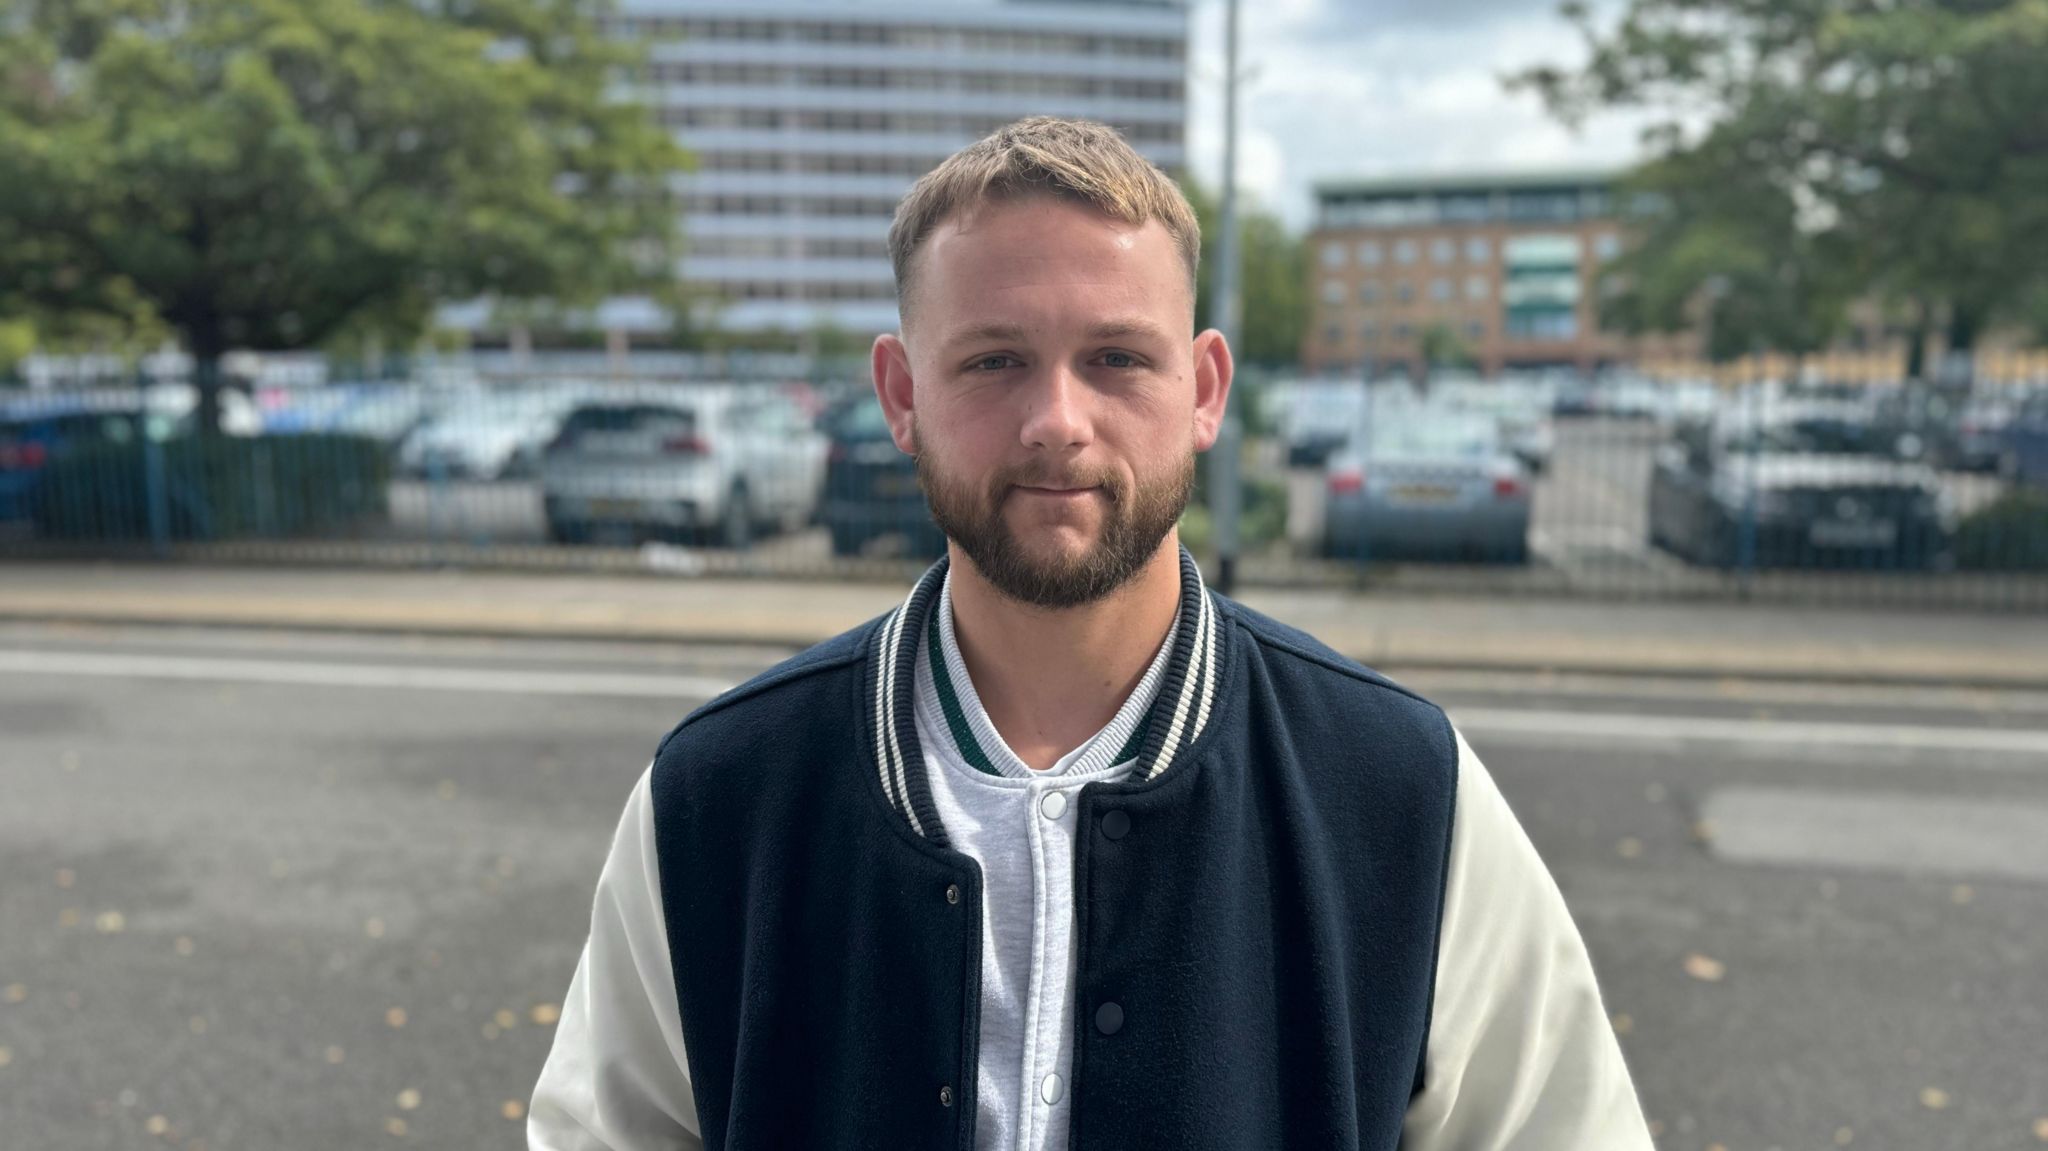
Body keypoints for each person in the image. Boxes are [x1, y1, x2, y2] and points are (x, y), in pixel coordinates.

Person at [529, 116, 1652, 1150]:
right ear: (900, 391)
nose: (1055, 420)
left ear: (1203, 389)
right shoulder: (721, 791)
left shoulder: (1397, 787)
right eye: (991, 360)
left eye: (1117, 357)